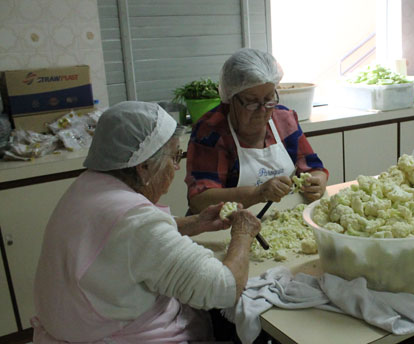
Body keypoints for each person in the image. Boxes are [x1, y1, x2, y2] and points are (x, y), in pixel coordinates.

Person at [32, 101, 261, 342]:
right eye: (175, 157)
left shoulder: (88, 185)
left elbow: (121, 242)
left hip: (76, 327)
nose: (177, 167)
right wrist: (243, 234)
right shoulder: (136, 222)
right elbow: (226, 289)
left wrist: (195, 223)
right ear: (143, 167)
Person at [185, 48, 329, 214]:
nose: (262, 110)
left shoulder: (284, 120)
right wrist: (257, 193)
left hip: (280, 219)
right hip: (225, 227)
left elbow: (314, 168)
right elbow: (200, 200)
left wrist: (317, 181)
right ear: (230, 99)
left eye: (268, 99)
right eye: (251, 102)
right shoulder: (211, 131)